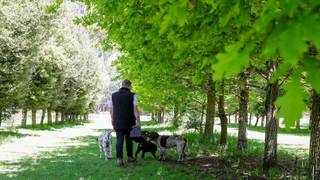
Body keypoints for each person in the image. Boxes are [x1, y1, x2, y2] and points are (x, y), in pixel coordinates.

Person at [108, 79, 141, 167]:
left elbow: (111, 110)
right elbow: (135, 110)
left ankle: (119, 159)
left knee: (119, 139)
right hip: (130, 122)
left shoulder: (113, 95)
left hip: (117, 122)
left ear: (122, 85)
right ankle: (130, 157)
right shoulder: (133, 95)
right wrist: (138, 122)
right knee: (129, 140)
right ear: (129, 86)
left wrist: (112, 120)